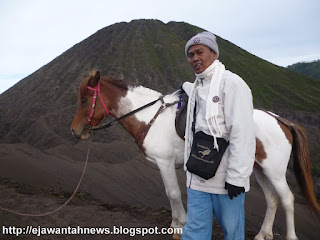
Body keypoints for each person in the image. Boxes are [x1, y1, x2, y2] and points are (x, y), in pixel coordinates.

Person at [181, 31, 255, 240]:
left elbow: (242, 133)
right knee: (194, 231)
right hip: (197, 177)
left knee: (232, 232)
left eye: (200, 52)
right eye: (191, 55)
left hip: (225, 180)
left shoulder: (232, 84)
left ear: (213, 53)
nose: (195, 58)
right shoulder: (196, 87)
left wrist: (237, 178)